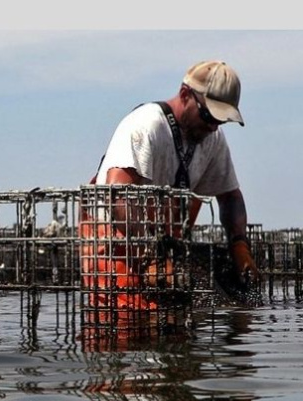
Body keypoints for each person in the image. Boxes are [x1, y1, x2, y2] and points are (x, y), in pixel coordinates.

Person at [81, 60, 259, 329]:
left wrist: (239, 245)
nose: (213, 126)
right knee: (123, 329)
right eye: (209, 116)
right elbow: (118, 195)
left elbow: (230, 196)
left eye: (221, 120)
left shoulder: (212, 139)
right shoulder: (146, 126)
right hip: (115, 245)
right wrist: (150, 254)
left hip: (163, 250)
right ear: (186, 94)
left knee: (172, 333)